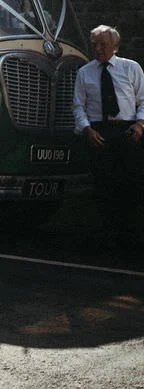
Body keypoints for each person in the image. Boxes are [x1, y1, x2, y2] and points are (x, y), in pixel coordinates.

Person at [72, 24, 144, 243]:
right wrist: (87, 129)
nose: (99, 49)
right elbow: (78, 106)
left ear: (115, 46)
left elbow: (143, 100)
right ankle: (108, 231)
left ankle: (131, 231)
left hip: (127, 130)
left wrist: (140, 125)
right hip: (99, 131)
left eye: (103, 44)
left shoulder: (131, 68)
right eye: (95, 45)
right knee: (104, 183)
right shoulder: (85, 72)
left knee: (130, 181)